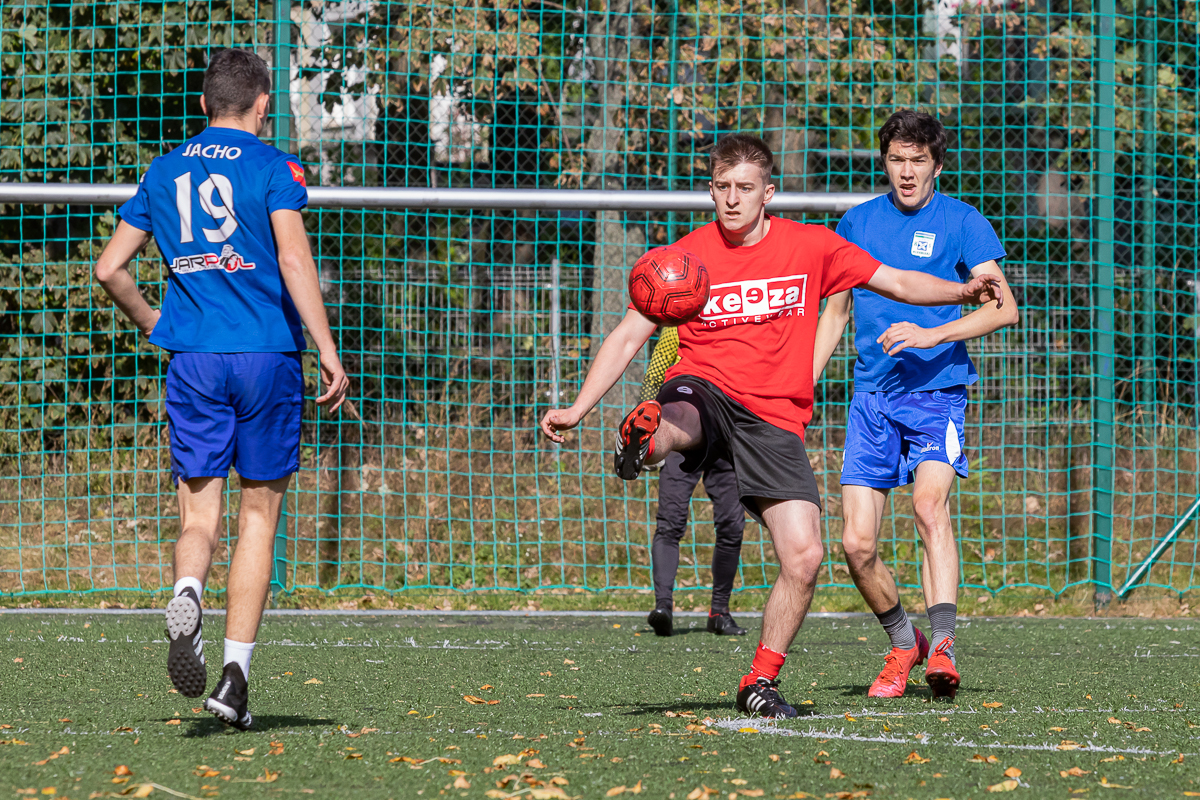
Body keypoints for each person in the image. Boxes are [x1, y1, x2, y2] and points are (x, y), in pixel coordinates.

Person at [539, 133, 1003, 718]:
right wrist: (577, 409)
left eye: (744, 189)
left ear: (768, 193)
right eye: (722, 188)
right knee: (683, 410)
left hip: (773, 417)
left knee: (805, 555)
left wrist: (962, 290)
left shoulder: (810, 247)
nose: (732, 199)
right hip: (705, 385)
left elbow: (898, 281)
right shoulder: (685, 259)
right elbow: (630, 333)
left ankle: (759, 680)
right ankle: (647, 440)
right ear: (710, 191)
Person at [93, 49, 349, 730]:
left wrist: (158, 321)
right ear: (264, 105)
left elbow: (110, 268)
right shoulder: (272, 167)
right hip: (266, 356)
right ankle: (234, 678)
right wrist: (326, 349)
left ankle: (186, 593)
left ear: (204, 105)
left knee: (198, 517)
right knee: (258, 517)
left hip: (196, 361)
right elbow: (294, 257)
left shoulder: (166, 168)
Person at [812, 110, 1017, 701]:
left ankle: (943, 645)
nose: (906, 172)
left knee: (929, 508)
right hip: (872, 399)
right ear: (885, 162)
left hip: (937, 396)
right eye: (896, 160)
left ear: (936, 165)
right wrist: (801, 384)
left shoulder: (963, 222)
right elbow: (835, 313)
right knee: (856, 545)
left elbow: (1003, 309)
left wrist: (934, 334)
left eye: (917, 161)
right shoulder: (856, 222)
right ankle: (905, 641)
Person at [640, 328, 747, 638]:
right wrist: (652, 433)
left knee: (732, 523)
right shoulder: (678, 325)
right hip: (681, 433)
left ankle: (719, 612)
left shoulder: (735, 321)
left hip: (725, 435)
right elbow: (655, 372)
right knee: (670, 521)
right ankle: (663, 607)